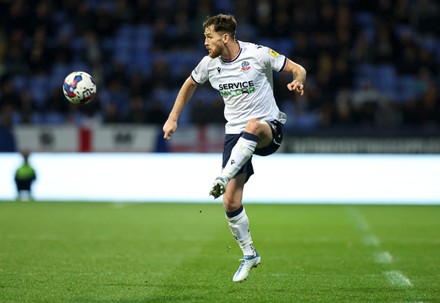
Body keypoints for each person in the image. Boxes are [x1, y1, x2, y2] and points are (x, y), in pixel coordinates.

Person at [162, 14, 306, 282]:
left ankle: (222, 176)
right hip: (234, 135)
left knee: (252, 126)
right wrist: (173, 118)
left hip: (266, 128)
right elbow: (189, 84)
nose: (205, 42)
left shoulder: (259, 54)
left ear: (225, 37)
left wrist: (298, 80)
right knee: (230, 201)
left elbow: (299, 68)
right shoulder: (209, 64)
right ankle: (250, 255)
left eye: (209, 37)